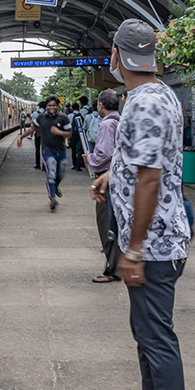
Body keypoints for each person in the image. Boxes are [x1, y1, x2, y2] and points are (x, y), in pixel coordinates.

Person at [91, 19, 194, 390]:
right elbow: (149, 161)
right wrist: (112, 175)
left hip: (153, 246)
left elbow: (151, 179)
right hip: (156, 241)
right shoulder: (156, 95)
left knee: (156, 338)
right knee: (146, 333)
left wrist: (132, 250)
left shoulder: (146, 104)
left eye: (111, 53)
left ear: (117, 56)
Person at [85, 89, 121, 283]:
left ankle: (113, 269)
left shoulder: (107, 124)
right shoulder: (119, 120)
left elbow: (105, 153)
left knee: (106, 223)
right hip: (117, 178)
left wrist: (90, 158)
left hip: (107, 179)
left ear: (101, 105)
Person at [17, 96, 71, 211]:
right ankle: (52, 198)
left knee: (61, 173)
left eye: (54, 105)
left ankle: (55, 186)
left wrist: (59, 132)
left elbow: (69, 134)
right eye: (50, 105)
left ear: (58, 106)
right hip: (47, 151)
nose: (52, 107)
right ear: (46, 106)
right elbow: (32, 129)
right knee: (51, 173)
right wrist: (21, 137)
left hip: (61, 150)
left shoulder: (64, 118)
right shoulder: (41, 118)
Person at [30, 100, 46, 169]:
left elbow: (33, 124)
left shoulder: (35, 113)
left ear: (39, 107)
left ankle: (37, 164)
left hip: (38, 133)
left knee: (37, 149)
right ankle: (44, 166)